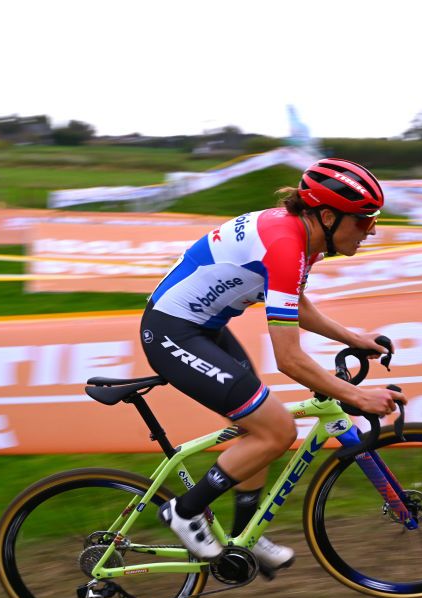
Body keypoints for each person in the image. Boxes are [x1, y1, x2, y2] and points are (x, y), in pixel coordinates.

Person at [140, 158, 405, 575]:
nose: (372, 228)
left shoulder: (304, 237)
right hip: (173, 332)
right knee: (277, 429)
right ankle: (185, 511)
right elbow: (289, 359)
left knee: (257, 425)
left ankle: (243, 536)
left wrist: (353, 338)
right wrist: (357, 396)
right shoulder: (285, 244)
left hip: (203, 328)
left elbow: (293, 303)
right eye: (364, 218)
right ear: (329, 215)